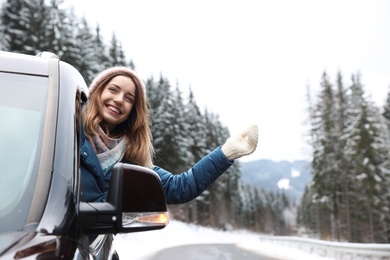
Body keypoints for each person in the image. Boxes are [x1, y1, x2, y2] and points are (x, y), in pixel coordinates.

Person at [80, 67, 258, 204]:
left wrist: (226, 152)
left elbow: (181, 187)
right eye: (113, 90)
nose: (119, 99)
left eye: (129, 99)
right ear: (97, 93)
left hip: (90, 249)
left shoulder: (130, 164)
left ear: (132, 113)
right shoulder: (66, 133)